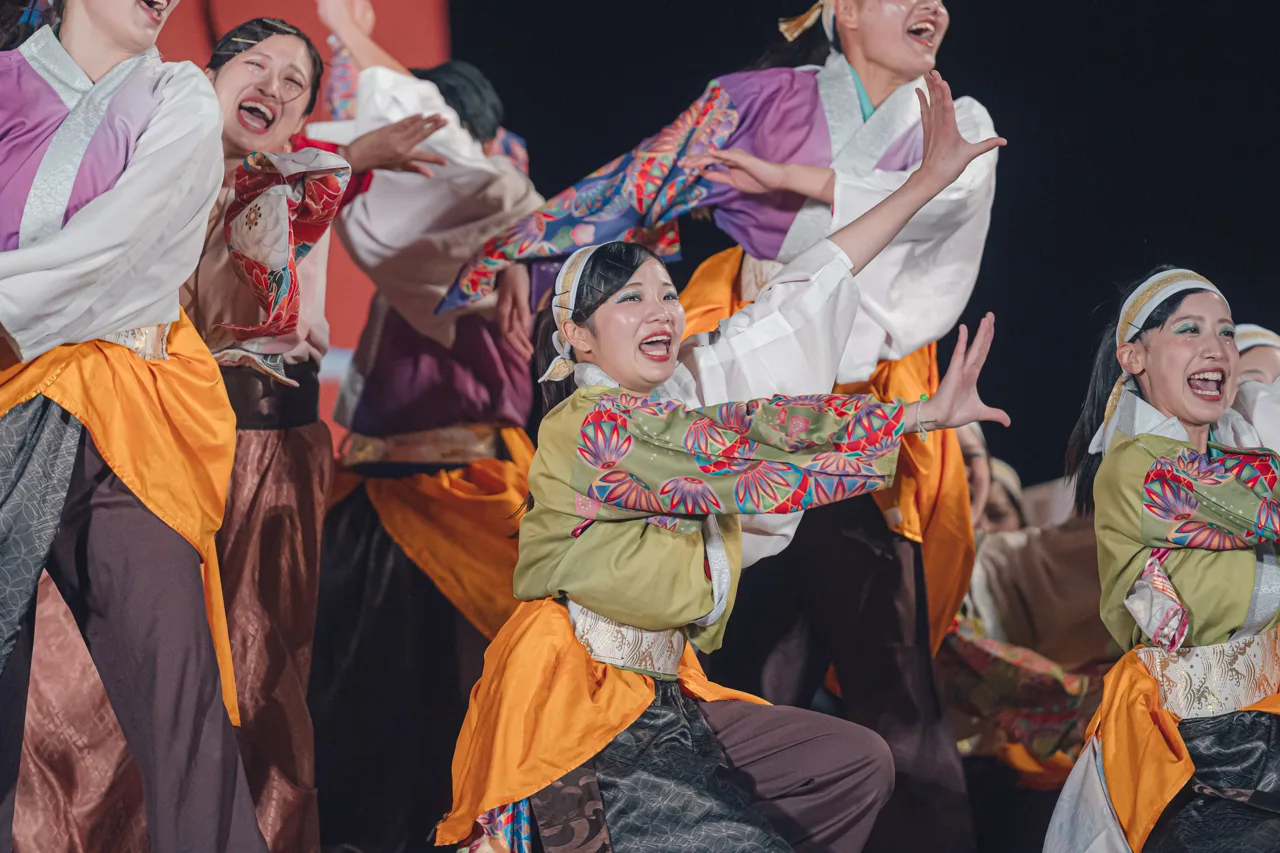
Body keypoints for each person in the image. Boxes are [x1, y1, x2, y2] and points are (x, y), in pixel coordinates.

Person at [463, 6, 998, 846]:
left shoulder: (691, 383)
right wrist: (497, 256)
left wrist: (920, 409)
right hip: (574, 710)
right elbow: (743, 458)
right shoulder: (591, 428)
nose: (660, 310)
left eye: (665, 293)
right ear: (577, 337)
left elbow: (810, 288)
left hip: (666, 695)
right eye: (629, 299)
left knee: (857, 759)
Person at [10, 16, 440, 852]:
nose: (272, 88)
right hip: (124, 428)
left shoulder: (288, 188)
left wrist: (353, 152)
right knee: (78, 684)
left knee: (247, 681)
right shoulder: (130, 142)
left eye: (294, 86)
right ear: (205, 77)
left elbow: (278, 186)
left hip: (259, 459)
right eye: (257, 66)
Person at [0, 0, 270, 850]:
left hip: (125, 412)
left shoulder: (177, 97)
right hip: (7, 400)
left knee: (177, 695)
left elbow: (122, 247)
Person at [302, 2, 545, 848]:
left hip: (474, 489)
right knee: (372, 699)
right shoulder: (431, 221)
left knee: (472, 691)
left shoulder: (503, 204)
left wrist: (348, 32)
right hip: (379, 495)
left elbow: (479, 175)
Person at [1045, 269, 1280, 852]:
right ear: (1134, 356)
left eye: (1227, 333)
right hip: (1197, 748)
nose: (1215, 347)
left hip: (1261, 724)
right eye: (1189, 329)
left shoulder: (1237, 451)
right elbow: (1262, 503)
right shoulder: (1136, 466)